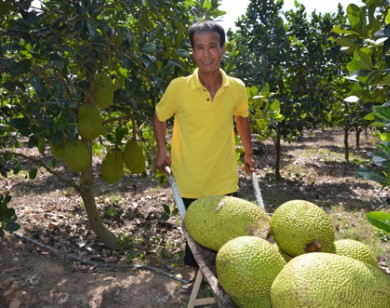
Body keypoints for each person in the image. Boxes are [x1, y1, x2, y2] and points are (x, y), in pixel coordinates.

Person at [153, 20, 255, 269]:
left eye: (212, 46)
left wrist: (249, 154)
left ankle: (226, 281)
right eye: (199, 48)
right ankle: (198, 281)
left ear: (223, 49)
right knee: (196, 241)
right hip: (190, 180)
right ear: (192, 52)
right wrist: (162, 151)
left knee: (228, 239)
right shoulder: (179, 87)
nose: (206, 54)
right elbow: (159, 116)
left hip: (223, 178)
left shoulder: (237, 88)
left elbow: (242, 118)